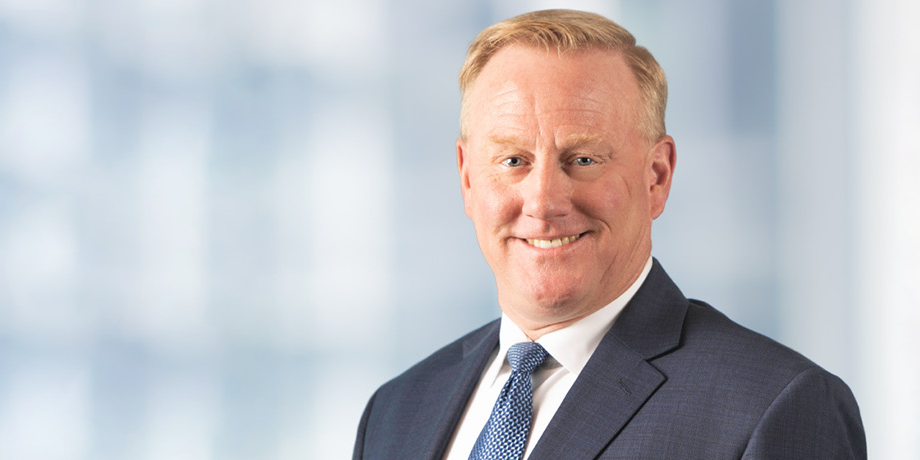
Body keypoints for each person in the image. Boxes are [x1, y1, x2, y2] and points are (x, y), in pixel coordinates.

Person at [352, 9, 865, 460]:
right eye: (513, 161)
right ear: (467, 179)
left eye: (583, 159)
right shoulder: (398, 410)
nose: (544, 202)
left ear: (656, 176)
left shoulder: (771, 406)